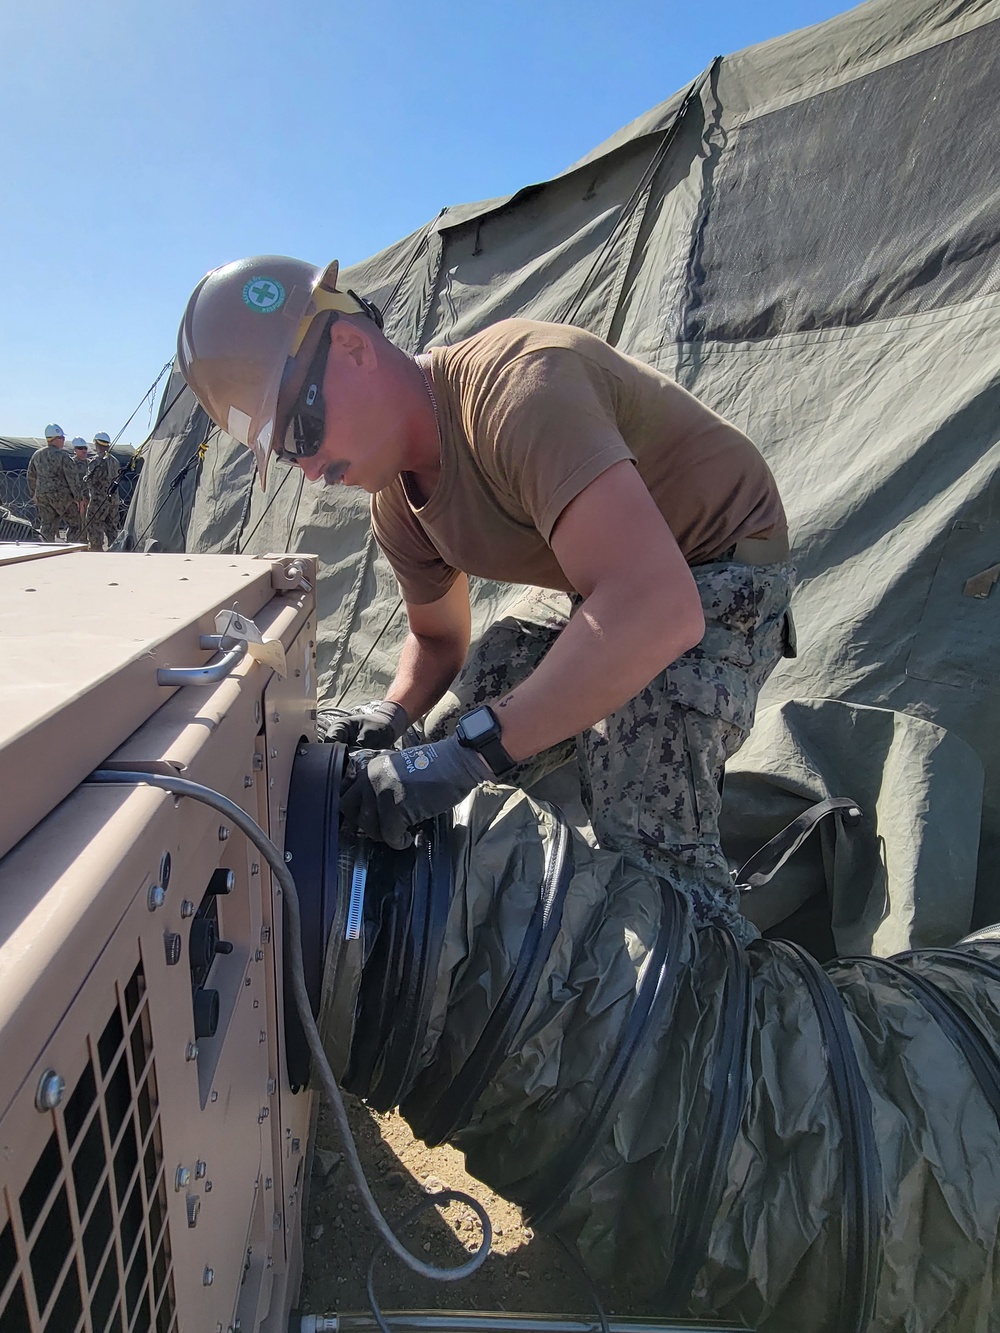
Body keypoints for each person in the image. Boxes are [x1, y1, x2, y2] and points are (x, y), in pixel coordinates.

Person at [178, 255, 794, 941]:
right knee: (440, 747)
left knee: (646, 837)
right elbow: (439, 640)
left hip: (718, 571)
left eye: (301, 432)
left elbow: (657, 607)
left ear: (350, 347)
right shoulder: (397, 505)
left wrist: (472, 754)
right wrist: (392, 715)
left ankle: (714, 986)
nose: (313, 470)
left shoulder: (518, 387)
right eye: (288, 456)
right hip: (605, 579)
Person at [26, 425, 84, 542]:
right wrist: (79, 499)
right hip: (63, 498)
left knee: (47, 526)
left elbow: (31, 476)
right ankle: (71, 549)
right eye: (62, 438)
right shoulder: (64, 456)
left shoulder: (37, 455)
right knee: (76, 525)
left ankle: (46, 551)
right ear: (56, 439)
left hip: (43, 496)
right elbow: (72, 479)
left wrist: (34, 494)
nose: (63, 440)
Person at [85, 433, 121, 550]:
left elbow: (90, 480)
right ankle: (115, 549)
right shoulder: (115, 461)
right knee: (112, 527)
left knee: (94, 525)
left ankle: (96, 550)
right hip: (113, 500)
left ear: (96, 443)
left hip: (99, 500)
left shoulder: (96, 460)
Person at [66, 439, 91, 543]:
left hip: (89, 498)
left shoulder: (90, 463)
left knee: (87, 524)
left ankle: (84, 544)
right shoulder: (71, 463)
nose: (83, 451)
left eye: (85, 448)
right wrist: (77, 499)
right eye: (80, 448)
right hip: (76, 500)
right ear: (75, 450)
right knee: (76, 524)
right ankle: (72, 544)